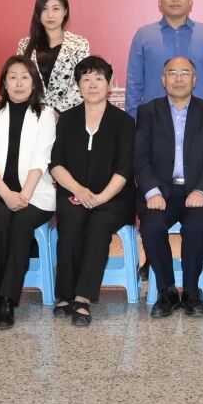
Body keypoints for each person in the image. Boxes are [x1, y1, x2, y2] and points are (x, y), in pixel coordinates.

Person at [135, 56, 203, 318]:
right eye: (172, 73)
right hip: (160, 192)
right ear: (163, 80)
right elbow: (140, 157)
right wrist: (151, 191)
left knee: (196, 227)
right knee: (151, 227)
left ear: (194, 80)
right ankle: (166, 291)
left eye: (185, 73)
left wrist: (202, 190)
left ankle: (192, 291)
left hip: (196, 192)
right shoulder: (148, 112)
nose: (178, 78)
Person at [48, 57, 136, 326]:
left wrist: (99, 198)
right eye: (86, 79)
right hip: (74, 192)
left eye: (99, 78)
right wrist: (79, 190)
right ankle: (65, 294)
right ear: (78, 85)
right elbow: (56, 164)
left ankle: (83, 297)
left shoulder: (123, 121)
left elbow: (124, 169)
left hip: (114, 197)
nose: (93, 84)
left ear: (109, 84)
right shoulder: (67, 119)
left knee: (99, 224)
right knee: (70, 220)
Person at [0, 55, 58, 330]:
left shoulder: (45, 114)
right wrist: (6, 193)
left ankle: (8, 299)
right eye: (12, 77)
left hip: (35, 193)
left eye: (24, 77)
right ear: (4, 83)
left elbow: (41, 158)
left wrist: (24, 194)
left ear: (34, 83)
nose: (19, 83)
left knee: (21, 223)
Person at [124, 0, 203, 117]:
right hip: (154, 121)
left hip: (200, 121)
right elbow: (134, 86)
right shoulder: (143, 36)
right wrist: (134, 121)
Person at [16, 0, 91, 113]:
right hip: (33, 114)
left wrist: (57, 111)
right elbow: (21, 80)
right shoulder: (25, 45)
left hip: (68, 115)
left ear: (65, 11)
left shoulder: (79, 44)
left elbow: (83, 82)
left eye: (56, 9)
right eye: (44, 9)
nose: (50, 15)